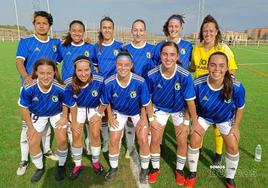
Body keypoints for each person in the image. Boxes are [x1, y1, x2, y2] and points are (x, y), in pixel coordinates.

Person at [185, 52, 245, 188]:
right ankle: (192, 173)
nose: (217, 69)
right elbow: (191, 103)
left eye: (221, 65)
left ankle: (230, 178)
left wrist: (236, 126)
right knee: (194, 140)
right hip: (204, 117)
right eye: (213, 65)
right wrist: (194, 122)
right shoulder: (198, 84)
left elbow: (240, 107)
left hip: (225, 118)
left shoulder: (237, 86)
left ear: (227, 67)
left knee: (233, 146)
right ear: (208, 67)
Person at [93, 50, 151, 184]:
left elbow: (145, 103)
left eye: (126, 65)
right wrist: (109, 116)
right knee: (114, 140)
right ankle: (113, 168)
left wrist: (144, 118)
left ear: (131, 65)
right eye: (120, 64)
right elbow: (106, 101)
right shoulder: (109, 82)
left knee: (143, 139)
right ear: (116, 64)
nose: (123, 67)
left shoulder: (140, 82)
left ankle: (144, 168)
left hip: (137, 112)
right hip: (118, 112)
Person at [146, 41, 199, 186]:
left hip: (179, 110)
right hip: (160, 108)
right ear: (160, 55)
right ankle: (155, 168)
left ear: (177, 56)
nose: (168, 58)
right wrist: (151, 119)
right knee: (155, 140)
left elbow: (190, 102)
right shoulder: (152, 74)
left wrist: (188, 122)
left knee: (182, 141)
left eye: (172, 55)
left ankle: (179, 170)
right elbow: (147, 100)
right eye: (165, 54)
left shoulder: (185, 75)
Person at [189, 15, 238, 167]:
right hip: (201, 94)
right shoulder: (196, 49)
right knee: (199, 123)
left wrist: (225, 87)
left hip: (219, 93)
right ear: (201, 33)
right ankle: (200, 148)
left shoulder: (224, 49)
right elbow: (192, 68)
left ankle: (218, 153)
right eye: (205, 31)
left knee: (218, 125)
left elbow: (232, 71)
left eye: (211, 30)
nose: (208, 33)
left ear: (216, 31)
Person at [18, 58, 76, 182]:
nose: (45, 76)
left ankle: (61, 165)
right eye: (42, 73)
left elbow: (70, 104)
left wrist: (65, 117)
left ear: (54, 72)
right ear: (36, 73)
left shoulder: (61, 87)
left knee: (62, 140)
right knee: (33, 142)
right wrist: (31, 128)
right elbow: (24, 109)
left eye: (49, 73)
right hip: (38, 114)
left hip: (56, 113)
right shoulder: (28, 88)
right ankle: (39, 168)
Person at [15, 10, 59, 176]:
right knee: (27, 125)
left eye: (45, 23)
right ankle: (24, 159)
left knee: (47, 123)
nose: (41, 26)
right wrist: (26, 76)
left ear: (49, 25)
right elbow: (19, 62)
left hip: (49, 90)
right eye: (38, 23)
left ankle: (46, 150)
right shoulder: (25, 42)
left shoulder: (55, 43)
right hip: (31, 89)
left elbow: (67, 52)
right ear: (34, 24)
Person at [58, 20, 97, 155]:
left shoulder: (91, 48)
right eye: (74, 30)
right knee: (72, 121)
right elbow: (53, 63)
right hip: (70, 90)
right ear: (70, 31)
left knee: (90, 121)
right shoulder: (63, 47)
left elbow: (96, 65)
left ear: (83, 32)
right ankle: (72, 147)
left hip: (87, 89)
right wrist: (59, 81)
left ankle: (90, 143)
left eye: (79, 31)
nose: (77, 33)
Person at [65, 55, 104, 180]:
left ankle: (95, 161)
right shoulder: (69, 82)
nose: (83, 74)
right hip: (77, 109)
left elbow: (105, 99)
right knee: (76, 135)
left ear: (91, 69)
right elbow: (70, 103)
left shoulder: (100, 80)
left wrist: (98, 114)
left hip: (94, 109)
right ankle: (78, 164)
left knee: (95, 135)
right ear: (75, 71)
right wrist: (74, 121)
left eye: (86, 70)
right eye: (79, 70)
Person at [122, 19, 155, 158]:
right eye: (135, 30)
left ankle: (147, 146)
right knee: (130, 120)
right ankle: (130, 147)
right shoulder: (125, 49)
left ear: (145, 32)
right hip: (129, 92)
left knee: (146, 120)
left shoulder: (152, 50)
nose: (138, 33)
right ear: (131, 31)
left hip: (148, 92)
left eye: (141, 30)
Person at [94, 17, 123, 153]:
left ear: (113, 29)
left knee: (118, 113)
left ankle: (119, 139)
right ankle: (106, 141)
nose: (107, 30)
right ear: (101, 29)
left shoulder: (119, 46)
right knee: (105, 114)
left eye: (109, 27)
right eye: (104, 27)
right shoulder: (96, 47)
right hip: (101, 86)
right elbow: (95, 66)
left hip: (116, 85)